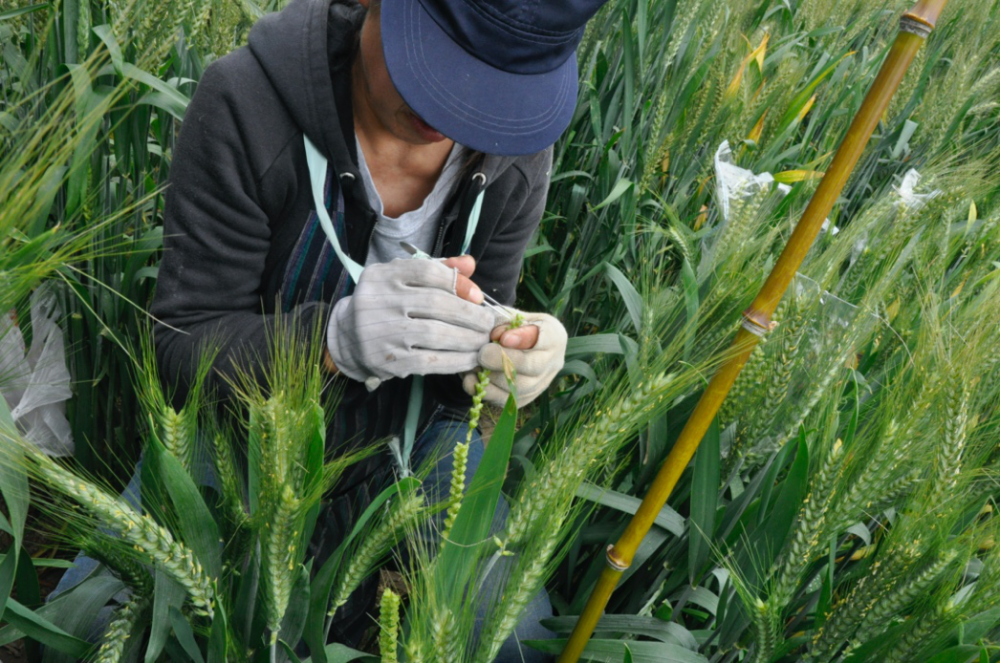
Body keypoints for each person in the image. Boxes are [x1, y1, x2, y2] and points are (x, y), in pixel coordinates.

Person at [149, 0, 609, 655]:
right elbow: (180, 344)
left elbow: (465, 379)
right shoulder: (245, 106)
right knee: (93, 619)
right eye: (441, 68)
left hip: (418, 431)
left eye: (496, 90)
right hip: (240, 426)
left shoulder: (516, 154)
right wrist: (330, 342)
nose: (457, 112)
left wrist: (504, 354)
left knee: (512, 637)